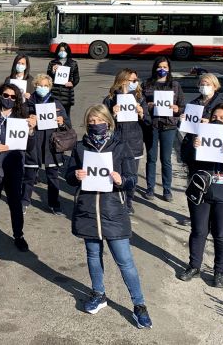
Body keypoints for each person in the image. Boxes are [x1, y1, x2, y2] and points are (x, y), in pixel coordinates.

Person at [65, 104, 153, 329]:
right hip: (87, 210)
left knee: (125, 261)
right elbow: (68, 176)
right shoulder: (79, 148)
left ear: (108, 121)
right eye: (91, 121)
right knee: (93, 255)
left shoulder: (120, 147)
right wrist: (75, 175)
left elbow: (132, 179)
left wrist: (121, 180)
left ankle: (139, 305)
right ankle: (98, 293)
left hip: (113, 210)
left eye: (99, 120)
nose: (95, 124)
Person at [179, 104, 223, 288]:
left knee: (221, 234)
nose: (217, 120)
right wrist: (194, 146)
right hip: (201, 194)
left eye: (222, 118)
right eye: (214, 116)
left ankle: (220, 271)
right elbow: (185, 157)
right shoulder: (199, 136)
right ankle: (194, 266)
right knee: (199, 231)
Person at [0, 83, 35, 252]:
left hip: (14, 167)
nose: (9, 99)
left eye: (13, 97)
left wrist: (31, 131)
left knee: (15, 203)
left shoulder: (22, 118)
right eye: (6, 95)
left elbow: (30, 146)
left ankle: (18, 235)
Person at [102, 68, 150, 214]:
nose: (135, 83)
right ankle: (115, 200)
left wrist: (142, 113)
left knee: (131, 175)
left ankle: (128, 202)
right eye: (132, 80)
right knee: (115, 174)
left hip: (134, 143)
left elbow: (149, 123)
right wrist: (112, 114)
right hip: (116, 142)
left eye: (136, 80)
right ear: (122, 81)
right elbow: (101, 122)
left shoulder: (140, 98)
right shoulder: (110, 99)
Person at [22, 74, 70, 216]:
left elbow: (68, 125)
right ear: (35, 86)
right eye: (39, 85)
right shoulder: (28, 104)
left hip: (51, 146)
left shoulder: (56, 104)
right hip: (33, 144)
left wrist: (62, 122)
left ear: (50, 87)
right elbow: (18, 123)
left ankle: (54, 203)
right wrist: (28, 121)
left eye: (45, 86)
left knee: (53, 176)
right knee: (29, 175)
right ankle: (24, 201)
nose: (42, 88)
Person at [142, 57, 185, 202]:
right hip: (152, 125)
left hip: (169, 126)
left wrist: (177, 109)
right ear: (155, 68)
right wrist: (149, 106)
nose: (162, 69)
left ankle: (167, 190)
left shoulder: (175, 85)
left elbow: (182, 106)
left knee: (166, 159)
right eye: (160, 66)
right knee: (151, 158)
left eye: (165, 67)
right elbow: (140, 104)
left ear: (169, 68)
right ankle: (150, 188)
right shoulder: (147, 84)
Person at [47, 42, 80, 117]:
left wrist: (72, 83)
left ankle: (68, 128)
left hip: (67, 93)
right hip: (55, 92)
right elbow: (48, 78)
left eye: (64, 51)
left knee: (66, 116)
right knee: (55, 115)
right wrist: (52, 71)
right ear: (57, 52)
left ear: (67, 52)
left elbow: (76, 78)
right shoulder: (52, 63)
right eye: (60, 51)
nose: (62, 52)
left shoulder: (73, 63)